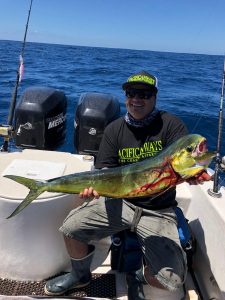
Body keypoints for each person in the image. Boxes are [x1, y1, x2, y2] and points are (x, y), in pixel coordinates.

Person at [44, 71, 211, 299]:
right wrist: (93, 190)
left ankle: (139, 275)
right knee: (70, 228)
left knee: (172, 282)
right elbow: (104, 173)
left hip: (159, 210)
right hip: (119, 202)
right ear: (125, 97)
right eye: (131, 93)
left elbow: (186, 163)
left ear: (155, 97)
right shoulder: (114, 129)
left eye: (144, 94)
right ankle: (80, 275)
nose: (136, 99)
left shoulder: (171, 125)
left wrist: (194, 172)